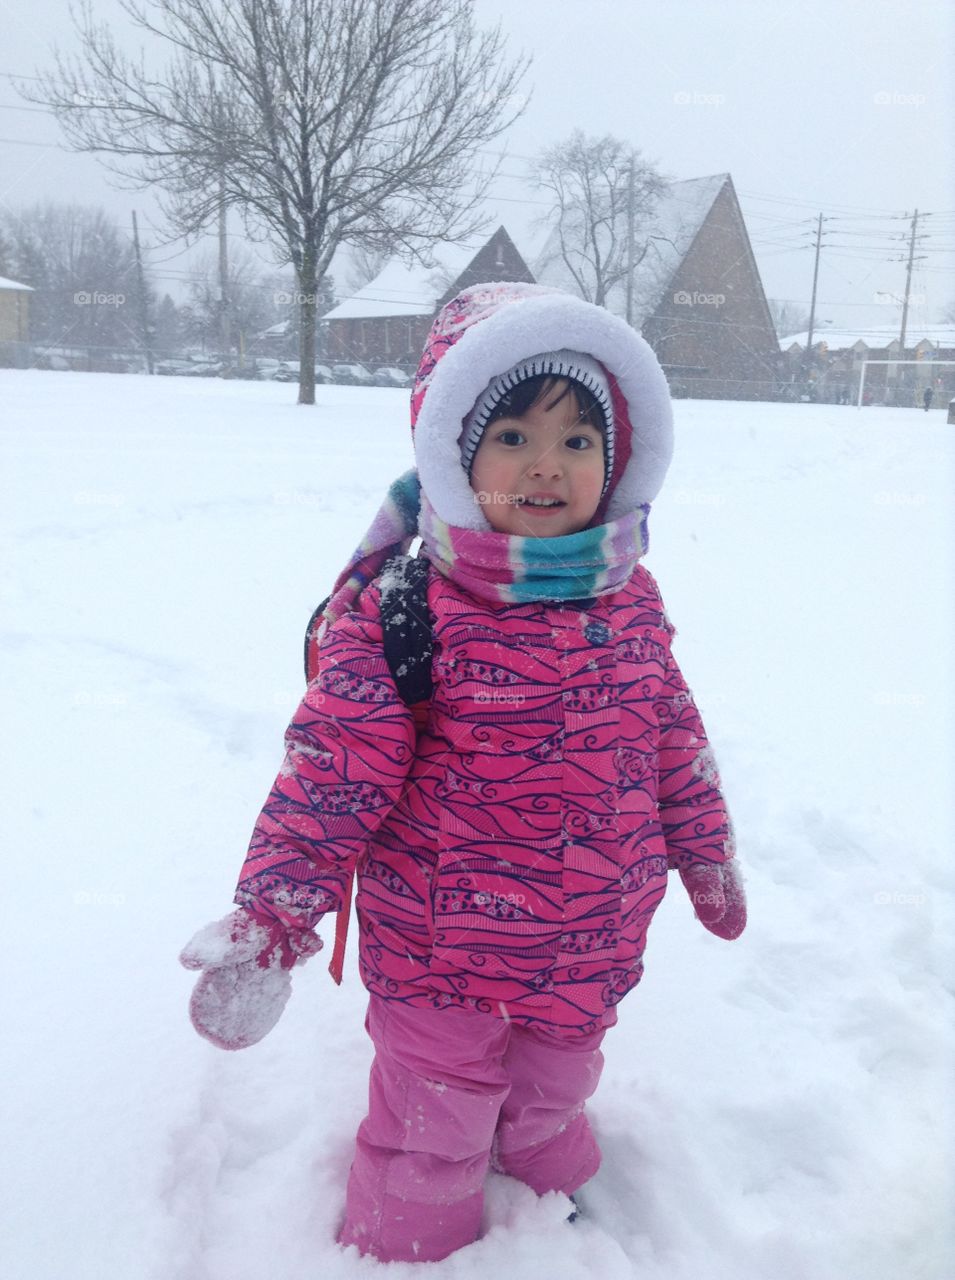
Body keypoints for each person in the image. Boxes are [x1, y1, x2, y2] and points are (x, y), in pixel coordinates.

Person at [179, 281, 747, 1263]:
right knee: (429, 1125)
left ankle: (544, 1206)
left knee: (555, 1092)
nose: (545, 464)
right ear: (454, 449)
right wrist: (276, 911)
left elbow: (671, 732)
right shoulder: (409, 610)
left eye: (577, 442)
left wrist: (703, 851)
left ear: (616, 463)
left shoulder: (630, 598)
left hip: (590, 946)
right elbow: (332, 770)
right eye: (513, 434)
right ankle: (405, 1245)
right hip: (443, 954)